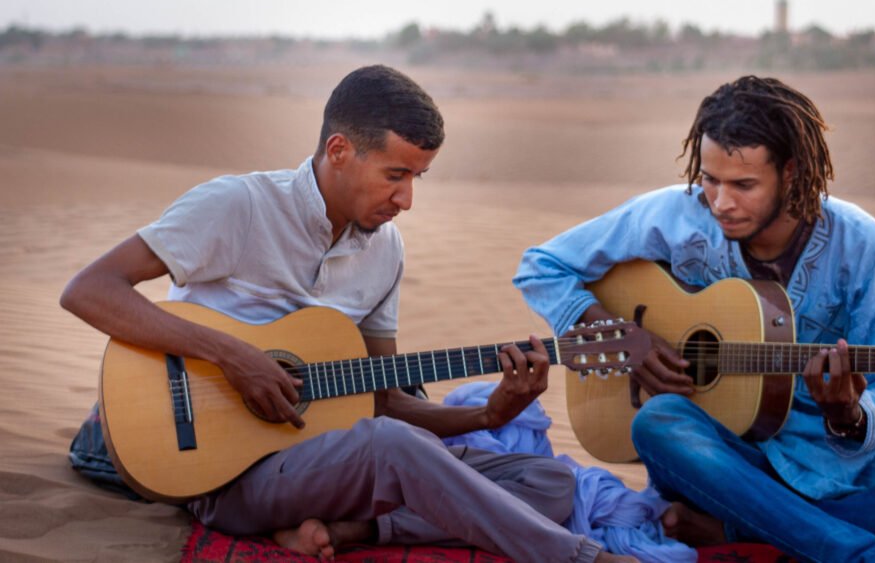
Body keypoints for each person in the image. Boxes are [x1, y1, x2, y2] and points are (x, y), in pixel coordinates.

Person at [61, 64, 635, 563]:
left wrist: (489, 415)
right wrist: (233, 356)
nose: (407, 199)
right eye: (395, 175)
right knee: (391, 447)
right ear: (339, 151)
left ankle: (355, 530)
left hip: (325, 469)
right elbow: (89, 289)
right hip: (221, 472)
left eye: (417, 178)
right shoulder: (236, 207)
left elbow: (382, 398)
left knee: (549, 483)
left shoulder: (385, 251)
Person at [513, 75, 875, 563]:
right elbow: (542, 266)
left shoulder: (864, 247)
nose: (720, 202)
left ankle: (743, 529)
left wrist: (849, 414)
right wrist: (626, 337)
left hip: (847, 466)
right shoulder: (673, 216)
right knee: (658, 421)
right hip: (727, 462)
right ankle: (862, 554)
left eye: (744, 184)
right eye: (709, 180)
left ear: (794, 173)